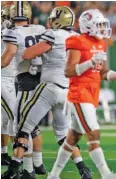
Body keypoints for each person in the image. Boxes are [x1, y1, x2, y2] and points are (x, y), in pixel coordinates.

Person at [2, 6, 92, 179]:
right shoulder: (74, 37)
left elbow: (28, 54)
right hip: (67, 91)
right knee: (63, 134)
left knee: (22, 127)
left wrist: (38, 57)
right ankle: (83, 168)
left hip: (46, 86)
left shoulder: (51, 34)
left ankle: (15, 170)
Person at [48, 9, 116, 179]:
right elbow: (69, 71)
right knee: (93, 132)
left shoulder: (101, 43)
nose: (102, 28)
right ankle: (106, 174)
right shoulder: (76, 41)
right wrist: (89, 62)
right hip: (79, 93)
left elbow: (102, 72)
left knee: (72, 138)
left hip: (92, 94)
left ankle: (53, 175)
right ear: (88, 25)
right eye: (99, 25)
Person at [1, 1, 46, 178]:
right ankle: (33, 165)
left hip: (17, 79)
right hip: (33, 79)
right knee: (23, 123)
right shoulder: (39, 29)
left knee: (19, 124)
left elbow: (6, 58)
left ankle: (27, 167)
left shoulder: (11, 32)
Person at [1, 4, 17, 166]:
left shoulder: (15, 31)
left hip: (14, 77)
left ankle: (4, 153)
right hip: (2, 77)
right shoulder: (7, 31)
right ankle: (17, 156)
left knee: (6, 119)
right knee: (14, 116)